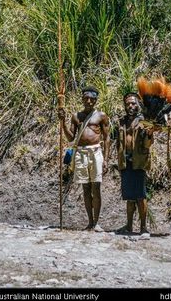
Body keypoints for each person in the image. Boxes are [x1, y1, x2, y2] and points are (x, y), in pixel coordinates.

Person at [58, 86, 110, 232]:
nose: (88, 101)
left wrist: (105, 159)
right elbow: (70, 138)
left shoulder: (101, 116)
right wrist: (62, 123)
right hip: (81, 153)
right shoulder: (76, 117)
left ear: (95, 100)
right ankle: (90, 222)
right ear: (82, 99)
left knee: (96, 187)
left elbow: (106, 138)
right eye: (86, 98)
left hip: (95, 152)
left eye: (92, 99)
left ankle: (97, 223)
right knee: (86, 188)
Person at [116, 92, 156, 235]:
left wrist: (150, 134)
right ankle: (129, 226)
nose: (131, 106)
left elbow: (147, 144)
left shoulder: (144, 121)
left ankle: (143, 228)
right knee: (129, 196)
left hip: (139, 161)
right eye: (128, 104)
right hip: (126, 162)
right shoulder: (122, 121)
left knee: (140, 196)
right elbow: (118, 143)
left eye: (133, 103)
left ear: (138, 104)